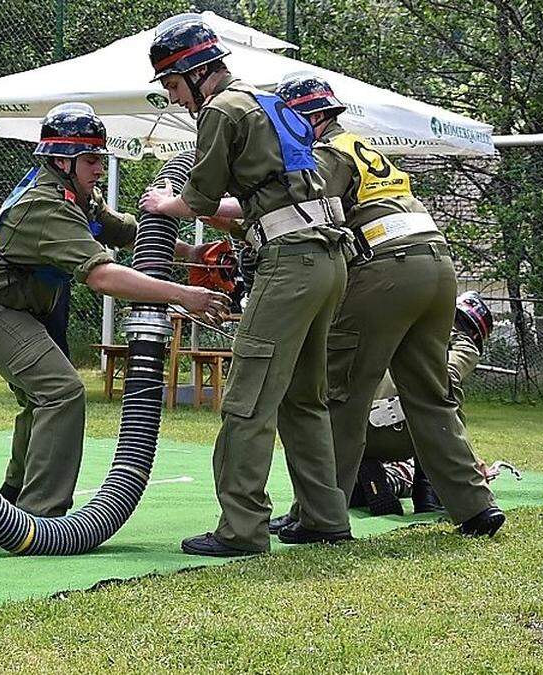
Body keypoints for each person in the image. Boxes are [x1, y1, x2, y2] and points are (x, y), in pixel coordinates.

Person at [0, 102, 228, 517]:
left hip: (9, 310)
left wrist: (191, 252)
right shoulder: (45, 206)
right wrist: (183, 295)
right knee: (61, 391)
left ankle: (12, 500)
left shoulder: (76, 195)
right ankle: (42, 515)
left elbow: (124, 230)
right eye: (92, 159)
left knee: (39, 397)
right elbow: (102, 276)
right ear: (63, 160)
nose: (99, 168)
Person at [138, 18, 352, 556]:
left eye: (170, 85)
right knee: (304, 399)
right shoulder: (268, 101)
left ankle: (241, 529)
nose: (173, 97)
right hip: (328, 259)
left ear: (194, 72)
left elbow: (203, 196)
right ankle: (325, 518)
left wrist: (165, 205)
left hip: (290, 264)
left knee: (247, 399)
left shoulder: (220, 109)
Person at [267, 75, 504, 537]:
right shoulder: (368, 150)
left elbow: (298, 206)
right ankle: (476, 506)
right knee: (431, 395)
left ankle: (319, 515)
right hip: (437, 268)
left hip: (387, 272)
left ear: (309, 118)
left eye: (288, 123)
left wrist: (213, 208)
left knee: (339, 394)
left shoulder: (327, 154)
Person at [349, 292, 495, 516]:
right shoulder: (453, 353)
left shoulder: (400, 333)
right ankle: (427, 491)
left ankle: (366, 480)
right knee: (437, 407)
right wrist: (472, 463)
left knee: (354, 493)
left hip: (356, 437)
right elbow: (449, 382)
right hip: (414, 436)